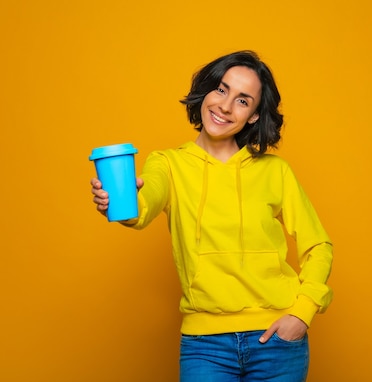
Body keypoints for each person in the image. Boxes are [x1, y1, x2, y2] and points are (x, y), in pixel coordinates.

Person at [90, 50, 333, 382]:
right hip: (205, 347)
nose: (225, 106)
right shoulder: (168, 164)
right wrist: (120, 202)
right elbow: (144, 204)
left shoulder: (275, 172)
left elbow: (318, 245)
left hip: (277, 342)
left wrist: (302, 314)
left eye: (243, 100)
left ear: (252, 116)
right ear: (206, 92)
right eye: (221, 89)